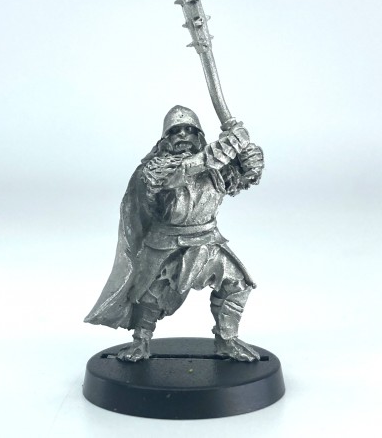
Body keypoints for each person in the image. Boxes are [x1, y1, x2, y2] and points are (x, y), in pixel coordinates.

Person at [84, 105, 264, 362]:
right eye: (176, 131)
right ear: (164, 139)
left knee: (237, 285)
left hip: (208, 240)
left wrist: (251, 161)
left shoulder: (216, 170)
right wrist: (233, 142)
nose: (183, 135)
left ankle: (227, 340)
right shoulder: (156, 169)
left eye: (190, 130)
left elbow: (240, 178)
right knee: (150, 296)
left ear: (199, 136)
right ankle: (140, 343)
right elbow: (192, 166)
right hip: (166, 244)